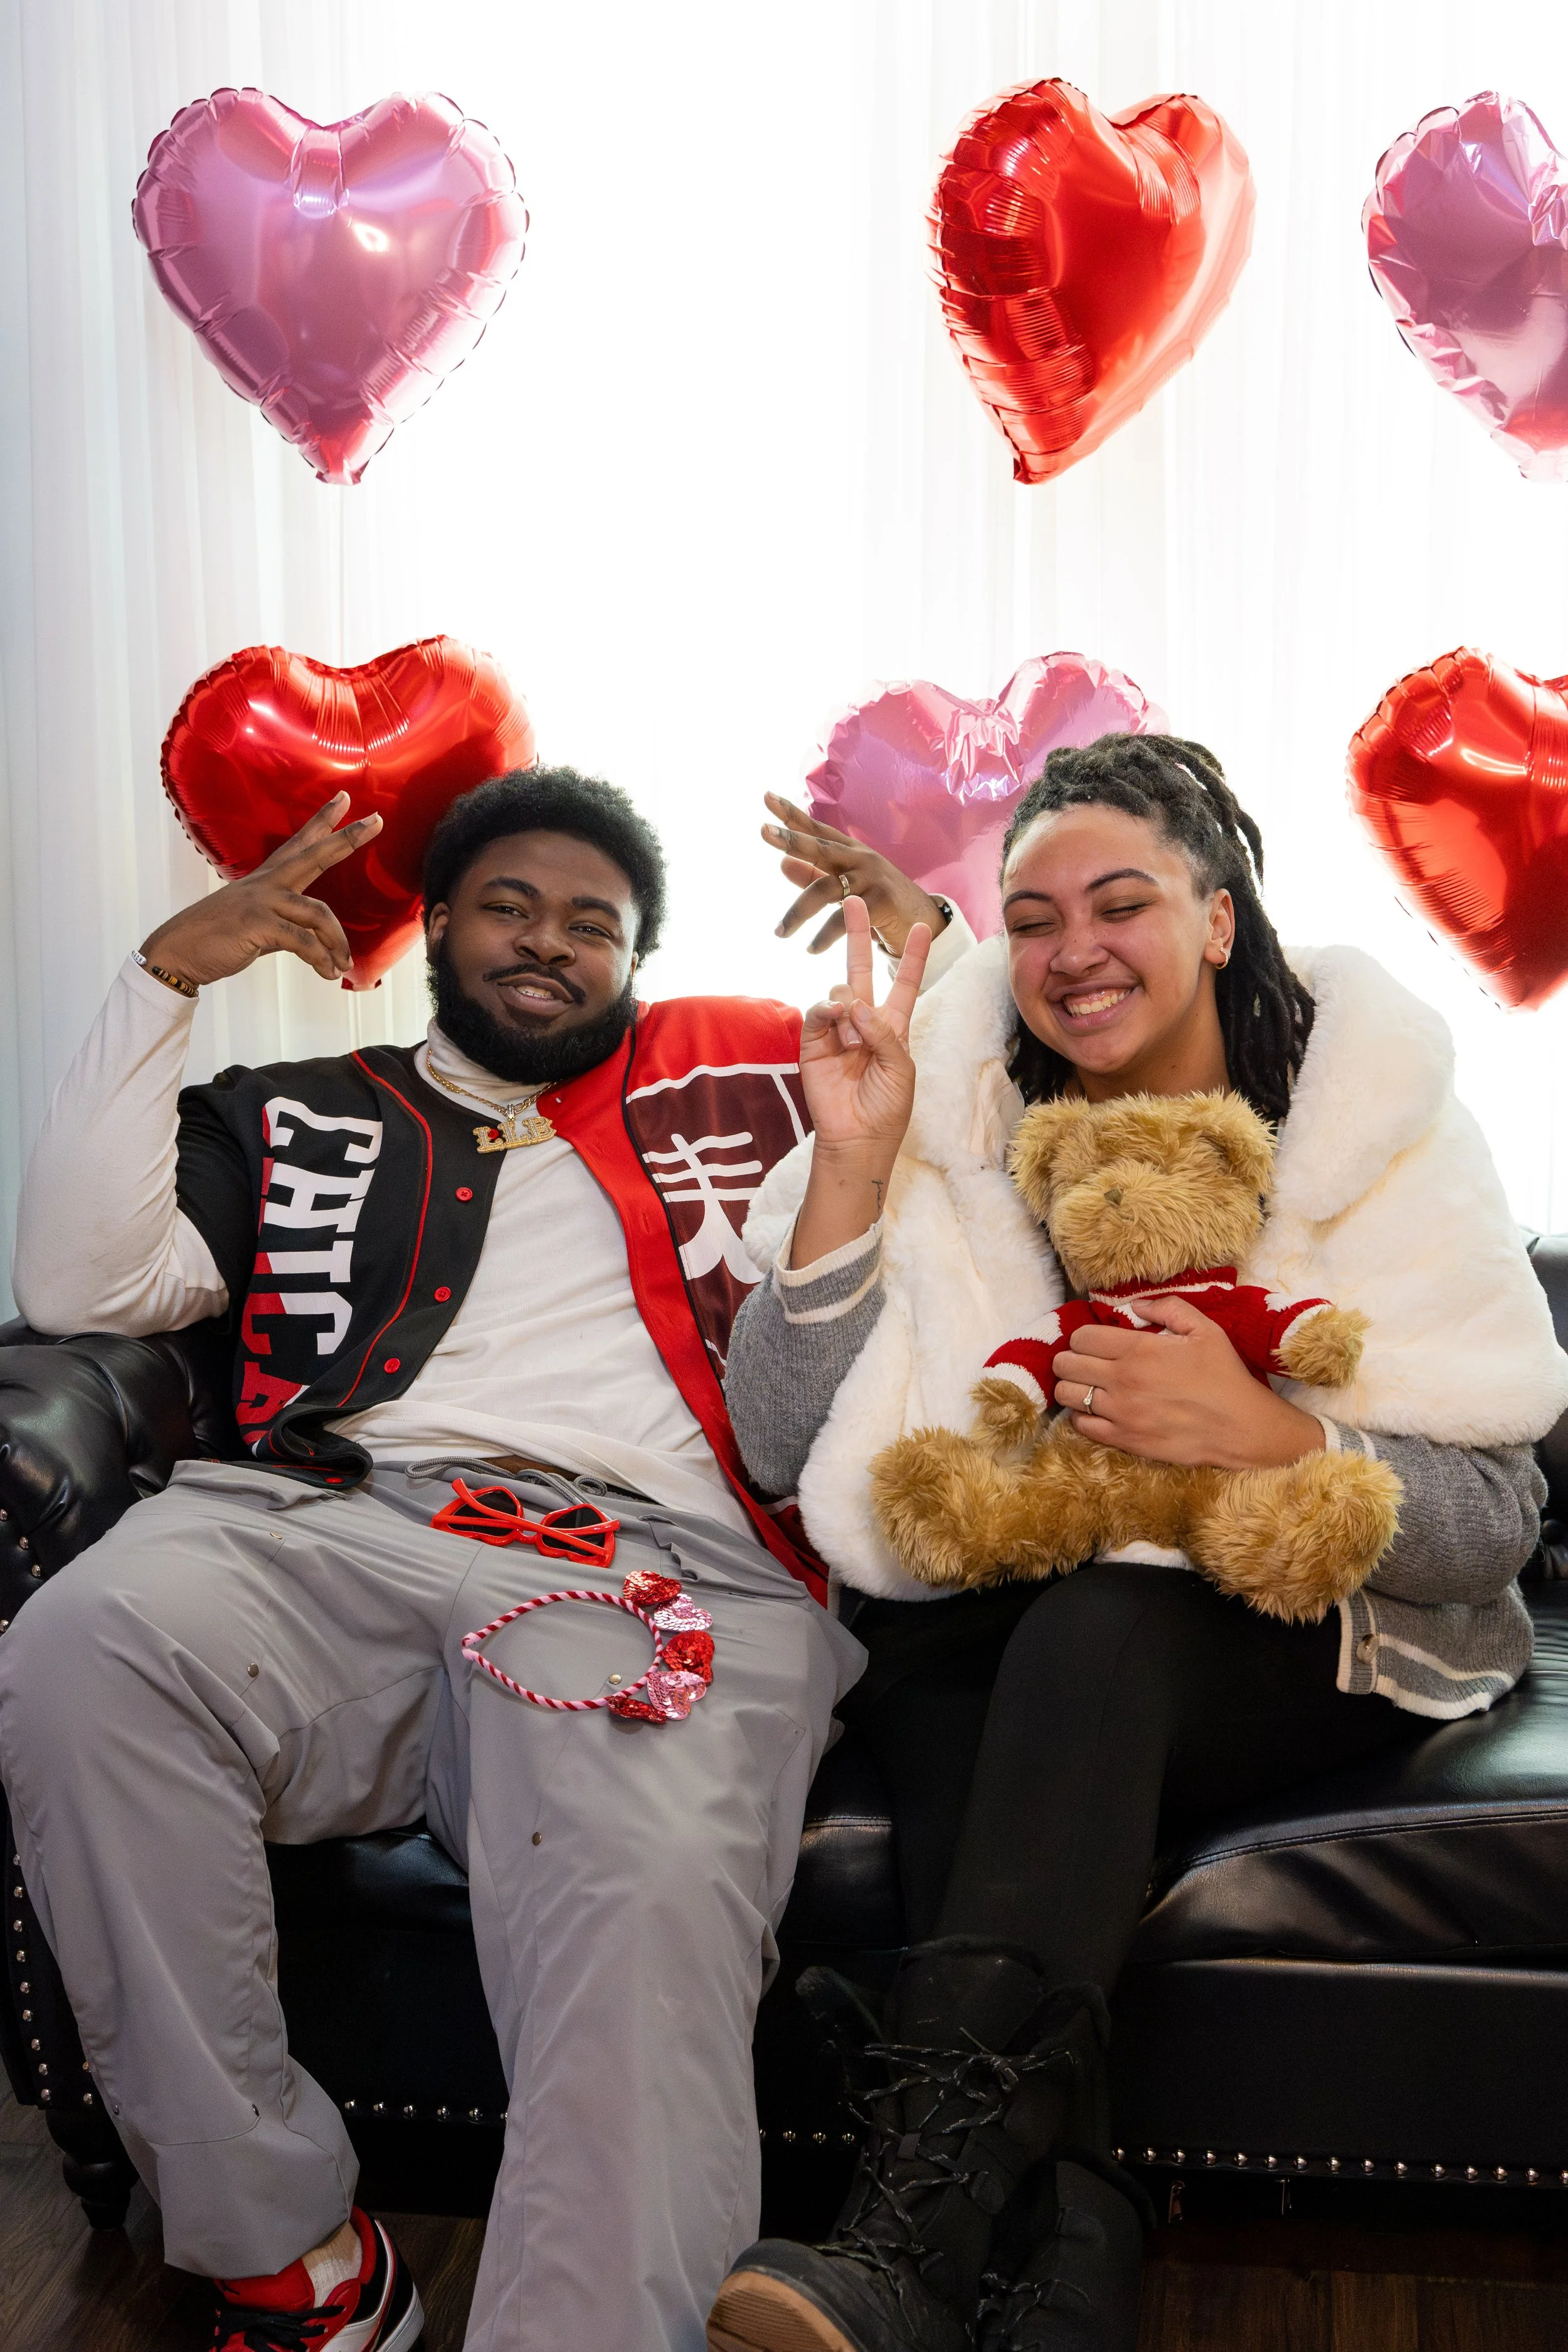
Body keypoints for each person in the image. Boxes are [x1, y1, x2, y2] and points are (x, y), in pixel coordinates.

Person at [0, 765, 972, 2352]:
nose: (549, 941)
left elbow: (1006, 1114)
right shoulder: (304, 1108)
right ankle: (289, 2252)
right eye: (510, 905)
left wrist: (940, 942)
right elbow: (80, 1278)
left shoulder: (751, 1073)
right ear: (439, 924)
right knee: (79, 1644)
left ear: (635, 963)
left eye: (595, 924)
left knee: (643, 1884)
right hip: (317, 1529)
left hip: (646, 1568)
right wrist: (166, 975)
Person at [709, 734, 1568, 2352]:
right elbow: (779, 1440)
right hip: (1024, 1617)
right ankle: (1068, 2251)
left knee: (1092, 1637)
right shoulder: (960, 1118)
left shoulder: (1370, 1124)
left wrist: (1274, 1433)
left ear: (1219, 916)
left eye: (1120, 903)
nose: (1071, 952)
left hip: (1313, 1622)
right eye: (1029, 920)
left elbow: (1492, 1527)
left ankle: (905, 2230)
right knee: (959, 1661)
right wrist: (851, 1164)